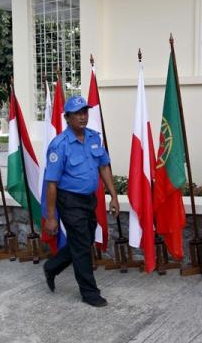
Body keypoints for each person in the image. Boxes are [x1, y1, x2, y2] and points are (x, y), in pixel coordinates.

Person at [42, 95, 119, 307]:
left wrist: (113, 196)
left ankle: (52, 267)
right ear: (67, 117)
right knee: (82, 246)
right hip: (69, 200)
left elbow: (104, 166)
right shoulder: (59, 145)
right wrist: (51, 217)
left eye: (85, 112)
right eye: (77, 113)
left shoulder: (94, 138)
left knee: (81, 241)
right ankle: (89, 292)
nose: (83, 117)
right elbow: (51, 183)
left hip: (89, 200)